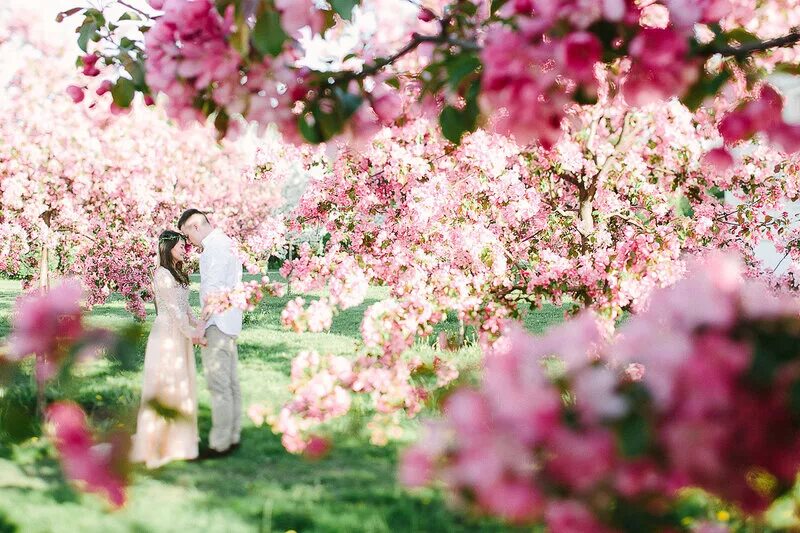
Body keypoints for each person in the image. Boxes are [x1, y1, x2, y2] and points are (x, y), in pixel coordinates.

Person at [130, 230, 204, 469]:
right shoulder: (162, 275)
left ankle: (178, 441)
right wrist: (191, 334)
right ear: (168, 248)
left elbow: (185, 307)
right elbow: (173, 309)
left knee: (180, 383)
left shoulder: (178, 272)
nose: (185, 249)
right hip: (167, 335)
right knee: (164, 385)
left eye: (185, 246)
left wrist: (200, 324)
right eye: (181, 246)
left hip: (180, 333)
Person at [178, 209, 243, 458]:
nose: (189, 242)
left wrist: (201, 327)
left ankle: (220, 443)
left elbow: (213, 292)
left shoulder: (214, 248)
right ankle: (232, 435)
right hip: (230, 320)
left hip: (217, 321)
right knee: (231, 382)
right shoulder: (227, 242)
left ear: (195, 227)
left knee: (218, 385)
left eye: (187, 235)